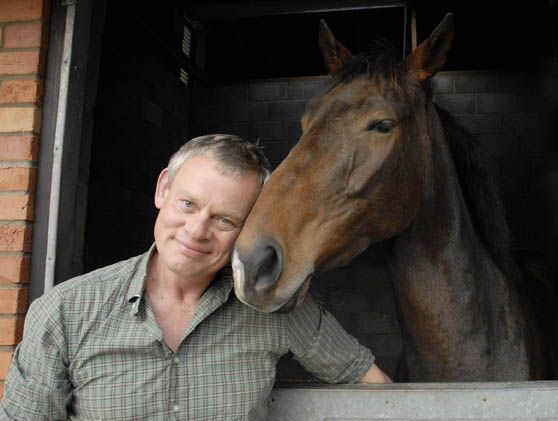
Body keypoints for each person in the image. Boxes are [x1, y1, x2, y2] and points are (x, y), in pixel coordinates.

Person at [1, 134, 391, 420]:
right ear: (163, 189)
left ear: (248, 227)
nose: (197, 230)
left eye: (225, 219)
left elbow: (371, 383)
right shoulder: (65, 312)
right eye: (188, 204)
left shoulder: (275, 309)